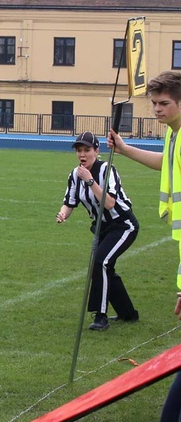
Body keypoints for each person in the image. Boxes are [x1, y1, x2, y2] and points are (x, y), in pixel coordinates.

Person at [107, 70, 181, 422]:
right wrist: (126, 149)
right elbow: (164, 164)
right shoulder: (174, 135)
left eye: (164, 104)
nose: (156, 110)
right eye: (153, 103)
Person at [55, 131, 139, 331]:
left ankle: (100, 316)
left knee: (101, 263)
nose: (82, 155)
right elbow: (70, 202)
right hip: (103, 228)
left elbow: (109, 203)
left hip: (123, 225)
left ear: (97, 151)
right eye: (79, 151)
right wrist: (63, 214)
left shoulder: (106, 170)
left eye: (87, 150)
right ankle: (128, 313)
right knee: (103, 265)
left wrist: (91, 181)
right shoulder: (75, 175)